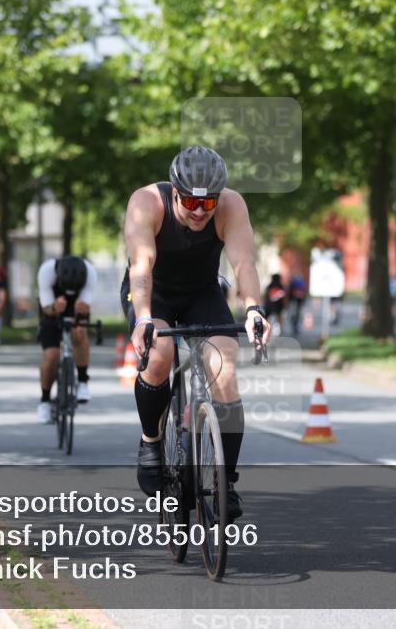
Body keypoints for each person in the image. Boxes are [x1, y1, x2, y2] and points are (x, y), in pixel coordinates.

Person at [121, 145, 272, 521]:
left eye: (209, 205)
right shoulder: (145, 203)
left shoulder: (231, 206)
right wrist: (143, 319)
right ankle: (151, 441)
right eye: (190, 202)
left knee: (226, 371)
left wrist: (253, 308)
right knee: (159, 355)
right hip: (152, 291)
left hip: (202, 292)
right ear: (175, 191)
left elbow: (243, 263)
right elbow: (142, 264)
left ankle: (226, 483)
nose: (199, 212)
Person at [36, 255, 97, 423]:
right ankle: (45, 400)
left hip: (75, 306)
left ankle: (83, 382)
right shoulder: (47, 272)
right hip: (51, 304)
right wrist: (55, 307)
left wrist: (81, 310)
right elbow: (46, 308)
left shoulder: (90, 273)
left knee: (79, 332)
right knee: (52, 356)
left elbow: (85, 308)